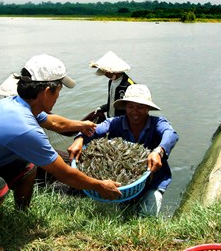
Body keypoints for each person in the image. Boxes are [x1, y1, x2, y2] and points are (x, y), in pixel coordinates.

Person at [0, 54, 122, 251]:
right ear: (47, 91)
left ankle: (21, 212)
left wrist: (82, 125)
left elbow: (55, 122)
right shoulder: (22, 126)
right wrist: (99, 186)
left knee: (28, 165)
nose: (60, 94)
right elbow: (64, 174)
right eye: (59, 89)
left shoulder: (19, 105)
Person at [67, 84, 178, 217]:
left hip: (153, 182)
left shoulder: (158, 123)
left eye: (140, 107)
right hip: (121, 187)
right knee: (114, 215)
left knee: (148, 215)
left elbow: (171, 134)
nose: (135, 111)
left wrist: (159, 151)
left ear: (148, 108)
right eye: (130, 107)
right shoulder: (114, 123)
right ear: (125, 107)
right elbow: (95, 130)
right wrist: (79, 139)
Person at [89, 51, 136, 119]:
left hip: (123, 121)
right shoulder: (111, 82)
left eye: (106, 73)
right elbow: (112, 102)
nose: (105, 75)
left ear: (115, 71)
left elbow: (133, 109)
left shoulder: (129, 85)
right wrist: (102, 108)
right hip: (111, 118)